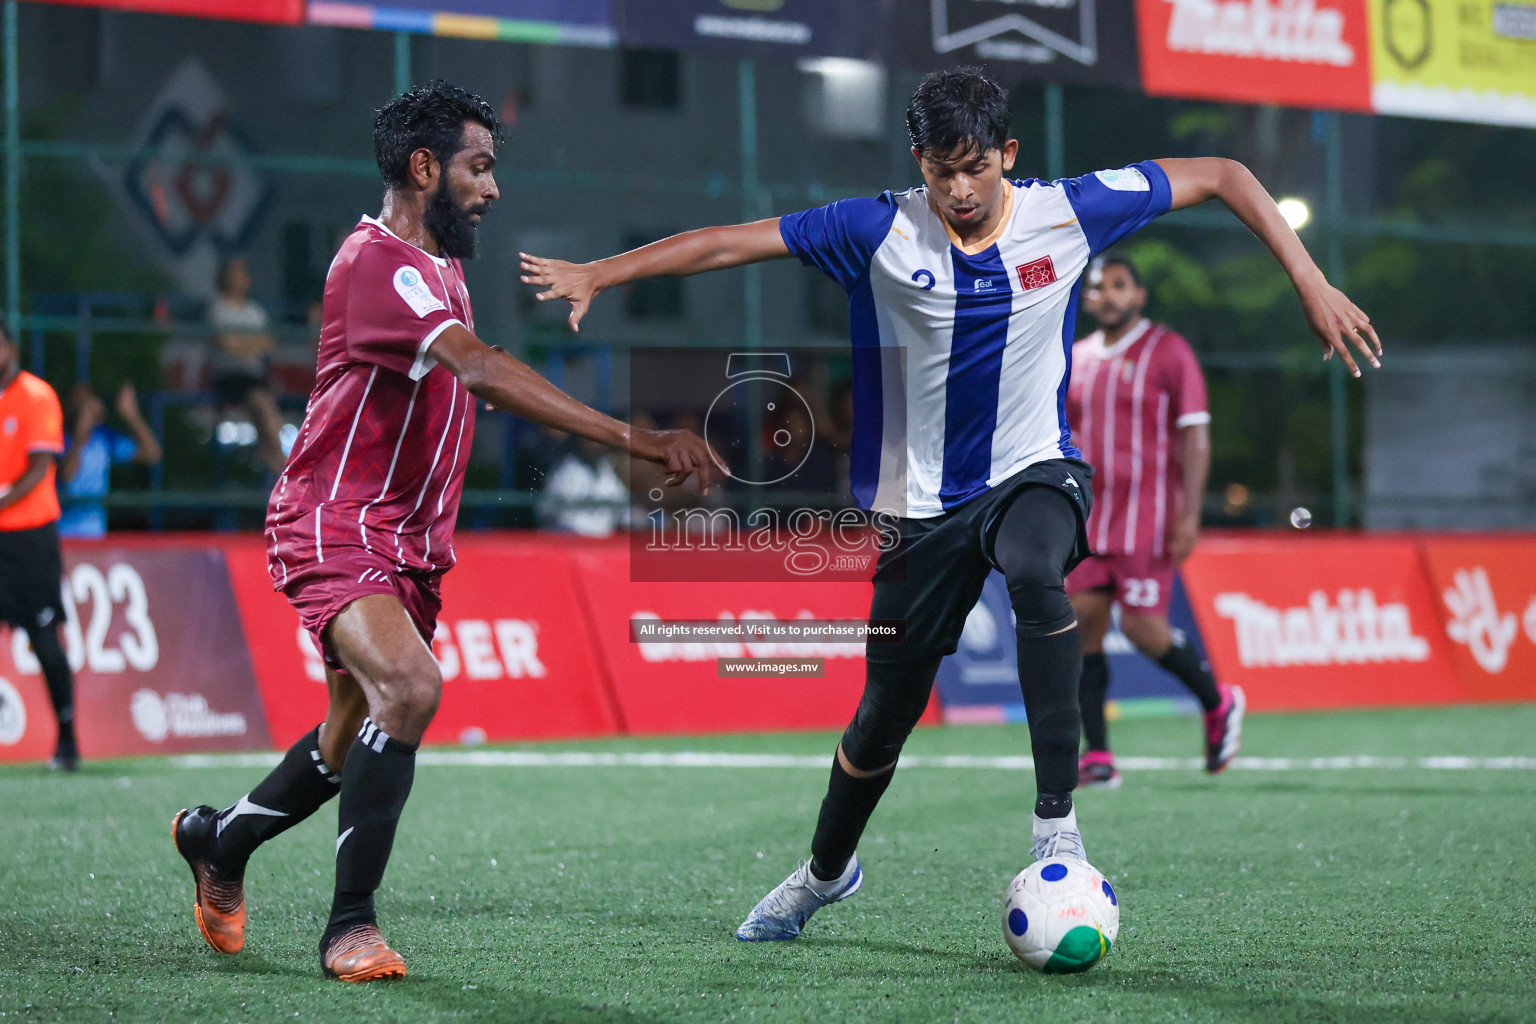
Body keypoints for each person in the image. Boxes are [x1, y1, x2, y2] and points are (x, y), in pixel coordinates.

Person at [520, 67, 1381, 942]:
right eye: (941, 172)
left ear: (1008, 154)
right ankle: (825, 873)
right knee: (878, 725)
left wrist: (1310, 282)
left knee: (1042, 575)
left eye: (975, 168)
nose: (960, 191)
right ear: (918, 164)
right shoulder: (873, 228)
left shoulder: (1071, 210)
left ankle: (1059, 833)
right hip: (917, 509)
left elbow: (1226, 175)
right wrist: (603, 271)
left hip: (1034, 468)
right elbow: (726, 243)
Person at [170, 82, 715, 983]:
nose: (493, 188)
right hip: (334, 524)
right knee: (413, 689)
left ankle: (217, 843)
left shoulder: (440, 264)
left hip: (407, 544)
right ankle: (350, 926)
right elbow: (485, 373)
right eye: (479, 167)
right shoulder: (379, 264)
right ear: (425, 169)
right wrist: (639, 438)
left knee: (350, 732)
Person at [1066, 253, 1242, 788]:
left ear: (1138, 295)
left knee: (1143, 629)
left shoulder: (1168, 351)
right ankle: (1098, 756)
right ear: (1089, 298)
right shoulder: (1074, 357)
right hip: (1089, 517)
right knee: (1081, 627)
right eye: (1099, 288)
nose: (1109, 295)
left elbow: (1195, 434)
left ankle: (1218, 702)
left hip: (1149, 517)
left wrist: (1190, 513)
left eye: (1120, 285)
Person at [0, 324, 80, 770]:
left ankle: (67, 738)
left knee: (44, 637)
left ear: (9, 346)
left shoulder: (36, 395)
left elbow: (39, 470)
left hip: (29, 537)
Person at [208, 257, 288, 473]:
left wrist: (242, 343)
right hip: (230, 376)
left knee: (267, 416)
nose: (238, 277)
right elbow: (227, 343)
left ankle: (282, 472)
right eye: (234, 272)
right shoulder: (218, 309)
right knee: (263, 406)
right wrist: (250, 344)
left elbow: (269, 342)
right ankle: (287, 471)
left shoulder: (255, 311)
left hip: (254, 376)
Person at [59, 382, 163, 539]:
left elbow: (152, 454)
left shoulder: (103, 438)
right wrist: (80, 437)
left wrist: (131, 416)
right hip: (63, 534)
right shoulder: (57, 438)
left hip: (95, 534)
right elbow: (67, 475)